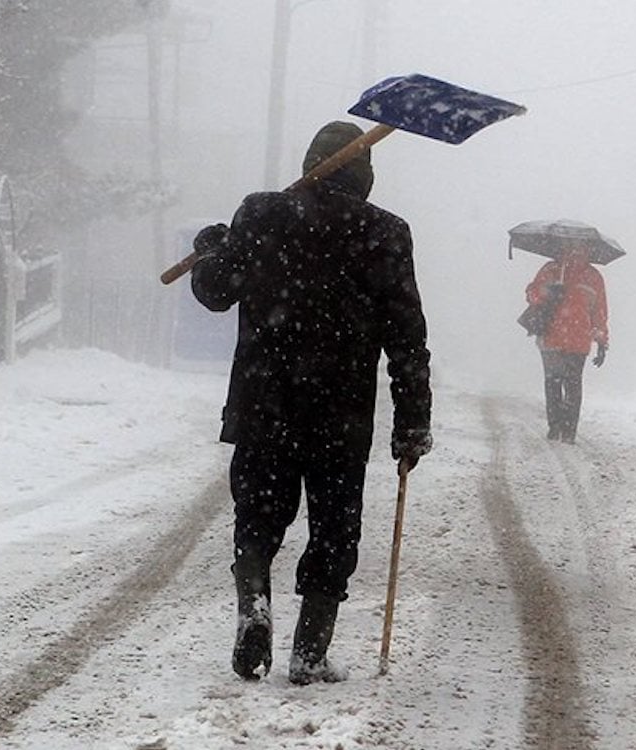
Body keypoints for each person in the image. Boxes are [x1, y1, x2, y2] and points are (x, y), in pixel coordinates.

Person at [189, 121, 433, 685]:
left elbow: (214, 292)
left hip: (263, 403)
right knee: (334, 530)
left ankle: (254, 602)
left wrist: (209, 249)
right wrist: (412, 420)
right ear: (364, 177)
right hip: (339, 414)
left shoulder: (262, 213)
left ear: (310, 163)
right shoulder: (387, 234)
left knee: (258, 517)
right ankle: (310, 652)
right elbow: (407, 338)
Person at [524, 238, 609, 443]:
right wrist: (600, 340)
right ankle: (565, 430)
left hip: (554, 339)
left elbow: (531, 294)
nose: (576, 251)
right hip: (569, 340)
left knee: (557, 384)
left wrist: (545, 292)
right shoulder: (589, 276)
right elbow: (599, 314)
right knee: (570, 385)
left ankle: (559, 429)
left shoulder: (552, 269)